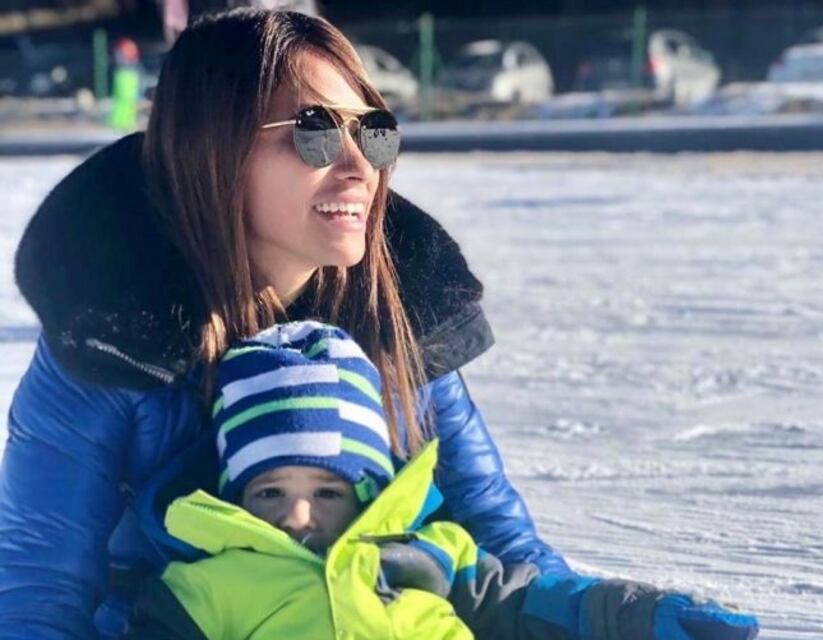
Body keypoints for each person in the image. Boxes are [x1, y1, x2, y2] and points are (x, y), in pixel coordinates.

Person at [0, 9, 566, 638]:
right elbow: (39, 589)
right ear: (212, 150)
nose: (359, 166)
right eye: (313, 132)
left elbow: (504, 548)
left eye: (373, 132)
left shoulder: (400, 316)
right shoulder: (112, 338)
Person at [124, 321, 760, 640]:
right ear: (235, 495)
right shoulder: (203, 589)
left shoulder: (434, 555)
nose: (297, 516)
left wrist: (641, 615)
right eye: (270, 492)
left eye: (327, 492)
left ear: (370, 491)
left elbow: (536, 604)